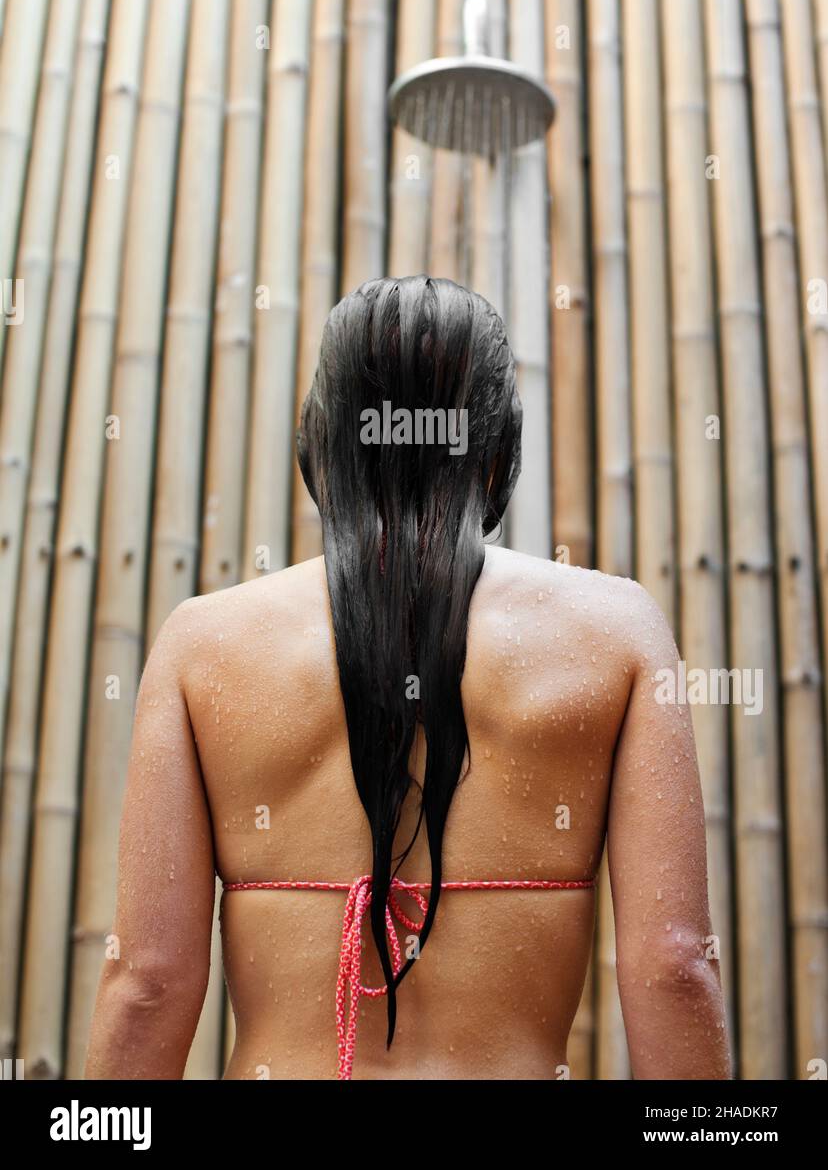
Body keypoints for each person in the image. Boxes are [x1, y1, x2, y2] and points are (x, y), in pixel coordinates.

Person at [84, 275, 731, 1080]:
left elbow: (147, 983)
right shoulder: (615, 631)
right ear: (498, 454)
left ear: (319, 443)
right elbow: (675, 966)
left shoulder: (203, 646)